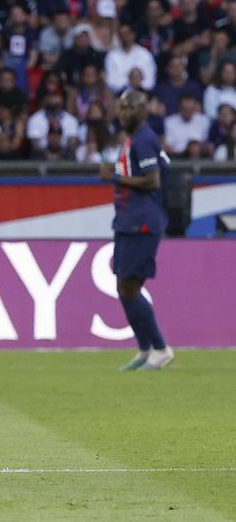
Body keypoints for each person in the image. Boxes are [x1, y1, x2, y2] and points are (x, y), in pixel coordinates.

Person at [99, 90, 174, 371]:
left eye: (130, 108)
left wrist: (114, 177)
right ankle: (145, 349)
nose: (124, 113)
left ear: (143, 111)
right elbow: (164, 165)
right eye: (121, 108)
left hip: (141, 222)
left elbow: (153, 180)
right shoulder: (134, 139)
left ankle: (160, 348)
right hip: (127, 220)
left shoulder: (144, 139)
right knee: (123, 287)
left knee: (130, 287)